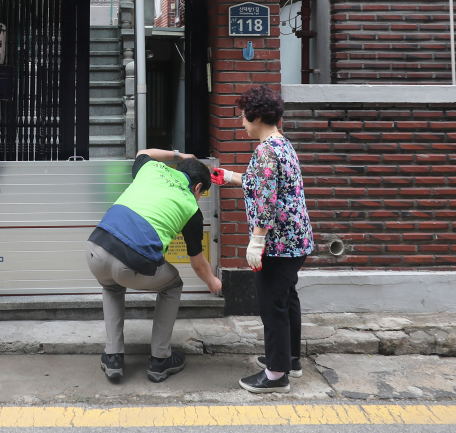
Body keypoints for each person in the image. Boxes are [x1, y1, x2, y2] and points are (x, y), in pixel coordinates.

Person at [86, 147, 223, 384]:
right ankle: (160, 360)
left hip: (95, 249)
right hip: (132, 264)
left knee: (111, 287)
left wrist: (181, 156)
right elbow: (198, 262)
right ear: (198, 188)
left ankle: (113, 357)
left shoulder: (149, 168)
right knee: (172, 285)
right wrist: (213, 282)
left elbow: (143, 151)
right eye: (201, 194)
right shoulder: (191, 205)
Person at [212, 86, 314, 394]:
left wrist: (256, 243)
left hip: (277, 245)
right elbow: (265, 185)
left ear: (257, 117)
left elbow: (267, 200)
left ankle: (275, 375)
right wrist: (232, 177)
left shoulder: (265, 151)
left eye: (243, 116)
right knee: (287, 300)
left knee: (272, 307)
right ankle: (289, 359)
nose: (241, 122)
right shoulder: (281, 144)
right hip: (296, 241)